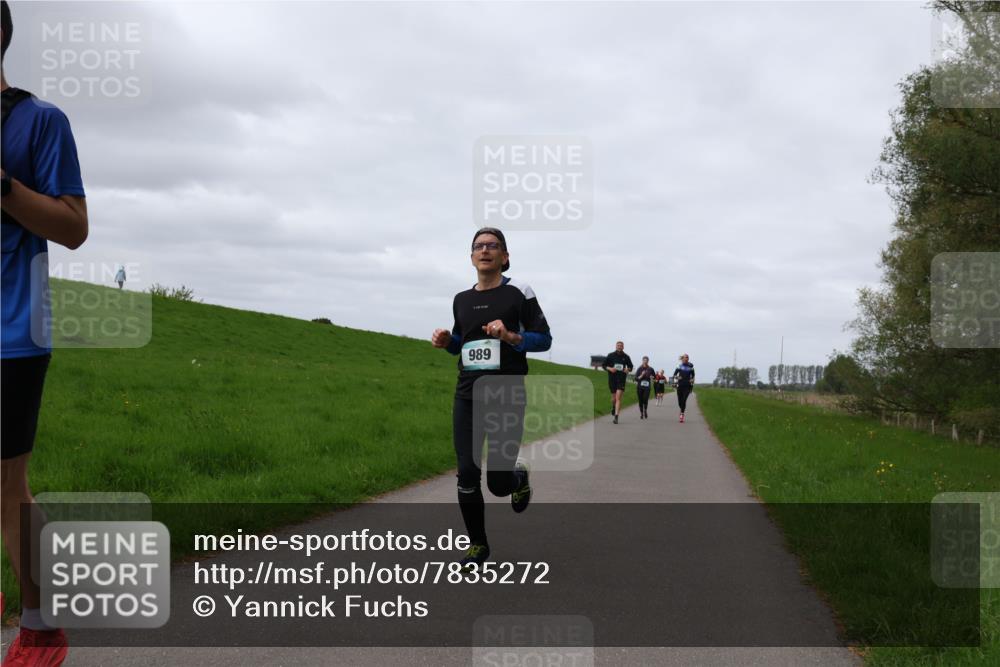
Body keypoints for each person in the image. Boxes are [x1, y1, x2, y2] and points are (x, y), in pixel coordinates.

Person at [1, 1, 88, 664]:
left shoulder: (40, 122)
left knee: (7, 486)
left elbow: (72, 226)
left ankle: (40, 622)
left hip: (11, 334)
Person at [431, 227, 551, 569]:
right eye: (478, 246)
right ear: (471, 257)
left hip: (506, 394)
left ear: (505, 256)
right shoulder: (461, 300)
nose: (485, 250)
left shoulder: (518, 293)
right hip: (467, 395)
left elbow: (544, 339)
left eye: (493, 246)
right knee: (466, 472)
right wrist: (446, 343)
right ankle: (478, 546)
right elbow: (462, 342)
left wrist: (511, 336)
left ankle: (517, 477)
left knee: (498, 484)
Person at [603, 341, 632, 424]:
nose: (619, 347)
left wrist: (628, 369)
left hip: (621, 379)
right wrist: (610, 369)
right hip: (612, 379)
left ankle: (616, 417)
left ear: (623, 347)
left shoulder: (626, 357)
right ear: (616, 346)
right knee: (614, 399)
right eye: (618, 345)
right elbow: (604, 365)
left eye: (621, 346)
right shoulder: (610, 355)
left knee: (618, 398)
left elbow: (630, 366)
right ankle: (613, 406)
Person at [673, 354, 696, 422]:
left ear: (688, 359)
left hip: (687, 386)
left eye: (687, 357)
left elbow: (693, 376)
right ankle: (682, 409)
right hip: (680, 385)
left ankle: (682, 414)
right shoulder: (679, 366)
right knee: (680, 402)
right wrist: (677, 377)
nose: (686, 359)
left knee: (684, 400)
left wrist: (692, 380)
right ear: (682, 359)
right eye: (685, 357)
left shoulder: (691, 367)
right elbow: (674, 375)